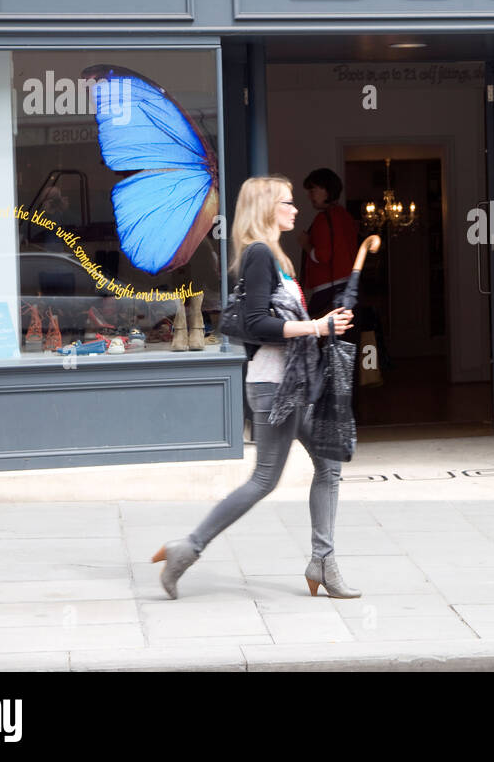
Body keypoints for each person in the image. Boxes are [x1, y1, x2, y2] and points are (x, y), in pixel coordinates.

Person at [151, 175, 358, 599]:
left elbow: (274, 319)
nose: (295, 208)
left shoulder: (277, 257)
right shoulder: (260, 254)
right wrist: (317, 326)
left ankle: (323, 560)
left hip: (293, 382)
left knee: (329, 466)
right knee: (264, 479)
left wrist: (322, 325)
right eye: (286, 202)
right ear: (266, 209)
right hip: (275, 386)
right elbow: (257, 325)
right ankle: (185, 549)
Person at [297, 168, 359, 317]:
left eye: (313, 189)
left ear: (326, 190)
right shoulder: (345, 216)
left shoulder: (323, 219)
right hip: (348, 288)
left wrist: (305, 244)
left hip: (328, 291)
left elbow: (322, 256)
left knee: (313, 335)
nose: (309, 195)